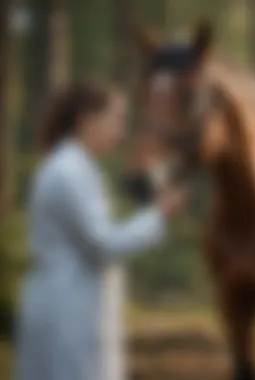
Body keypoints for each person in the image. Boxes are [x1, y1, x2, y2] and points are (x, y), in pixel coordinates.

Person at [15, 80, 187, 380]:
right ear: (86, 120)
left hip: (73, 304)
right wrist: (158, 214)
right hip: (67, 309)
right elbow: (104, 243)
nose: (122, 130)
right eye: (116, 118)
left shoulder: (77, 167)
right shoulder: (68, 171)